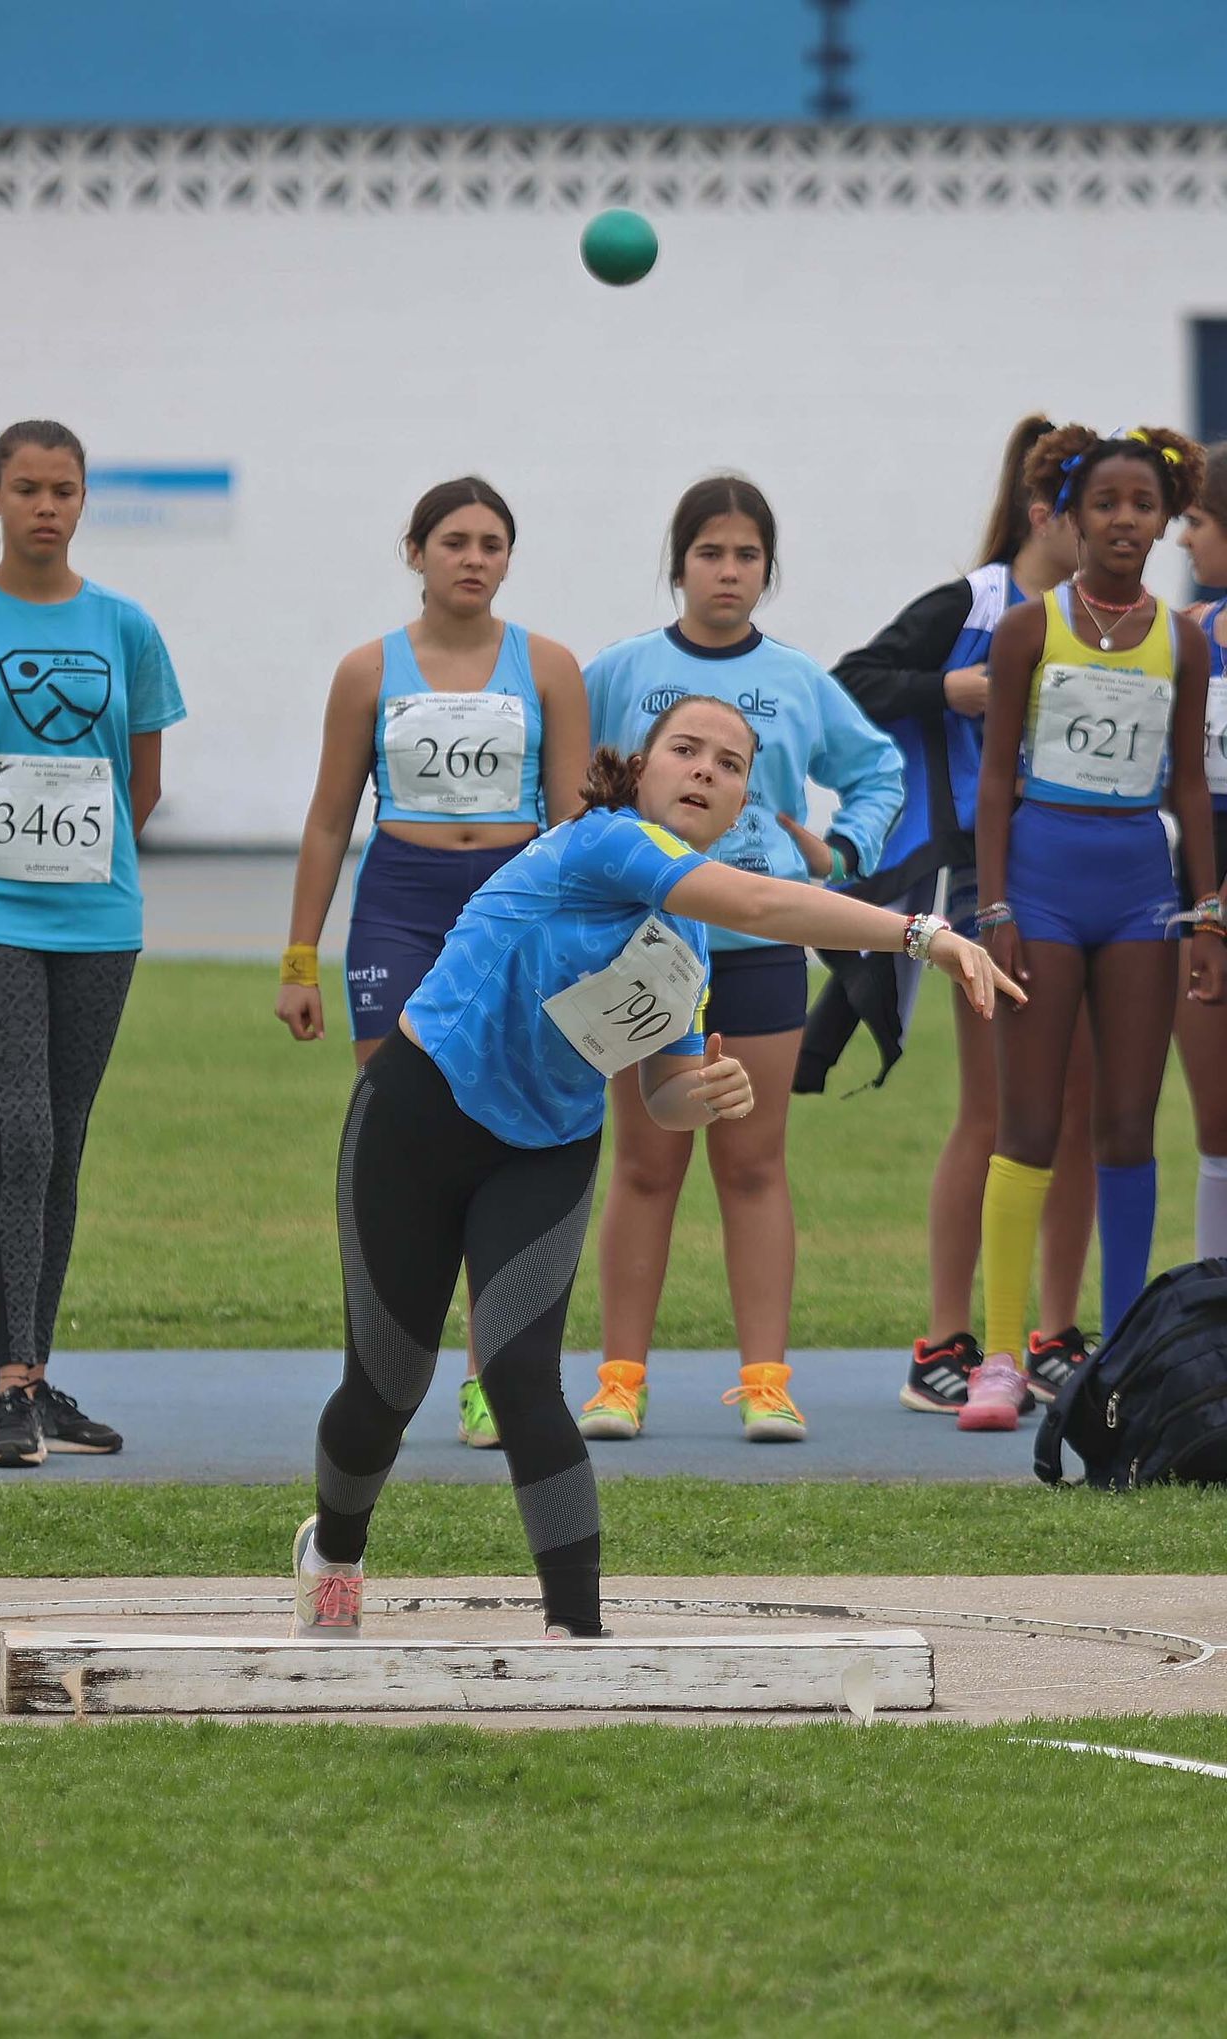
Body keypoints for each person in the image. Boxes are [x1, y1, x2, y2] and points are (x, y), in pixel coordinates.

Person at [292, 695, 1019, 1639]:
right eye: (686, 749)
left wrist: (702, 1092)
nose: (706, 770)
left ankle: (578, 1633)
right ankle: (336, 1550)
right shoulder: (602, 841)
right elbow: (761, 900)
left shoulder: (682, 940)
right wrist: (924, 931)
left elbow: (661, 1092)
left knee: (523, 1379)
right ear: (640, 770)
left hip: (545, 1149)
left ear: (742, 806)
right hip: (418, 1116)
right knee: (387, 1386)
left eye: (730, 764)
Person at [0, 419, 186, 1467]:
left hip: (98, 919)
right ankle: (9, 1389)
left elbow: (142, 785)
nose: (45, 505)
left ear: (83, 498)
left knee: (62, 1138)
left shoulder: (127, 628)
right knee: (21, 1131)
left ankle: (41, 1377)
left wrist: (80, 871)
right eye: (26, 487)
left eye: (63, 488)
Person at [578, 476, 904, 1445]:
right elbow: (573, 774)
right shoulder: (622, 670)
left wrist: (843, 854)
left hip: (759, 954)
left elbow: (876, 769)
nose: (728, 571)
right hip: (643, 951)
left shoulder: (801, 681)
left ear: (768, 568)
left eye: (746, 554)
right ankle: (618, 1381)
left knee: (754, 1166)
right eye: (709, 552)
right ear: (676, 563)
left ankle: (766, 1382)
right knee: (643, 1165)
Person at [274, 476, 590, 1450]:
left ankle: (490, 1365)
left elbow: (577, 826)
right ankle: (389, 1348)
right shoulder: (368, 671)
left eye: (492, 542)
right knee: (402, 1126)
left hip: (510, 905)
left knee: (505, 1121)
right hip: (401, 907)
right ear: (414, 552)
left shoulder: (549, 667)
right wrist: (298, 958)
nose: (473, 557)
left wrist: (582, 945)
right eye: (453, 540)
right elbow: (330, 819)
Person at [802, 415, 1097, 1415]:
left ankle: (1058, 1334)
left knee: (1079, 1116)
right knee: (995, 1110)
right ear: (1040, 510)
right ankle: (944, 1339)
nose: (1108, 526)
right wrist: (951, 687)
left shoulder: (1109, 615)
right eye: (1088, 507)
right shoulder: (973, 603)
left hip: (1088, 869)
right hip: (986, 873)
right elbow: (852, 678)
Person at [971, 424, 1224, 1432]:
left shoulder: (1184, 638)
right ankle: (999, 1355)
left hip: (1136, 889)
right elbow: (994, 779)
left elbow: (1189, 790)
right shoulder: (1027, 629)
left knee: (1128, 1124)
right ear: (1068, 516)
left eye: (1144, 505)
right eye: (1106, 503)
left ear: (1165, 520)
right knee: (1028, 1122)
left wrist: (1205, 911)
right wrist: (990, 906)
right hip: (1037, 883)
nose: (1126, 520)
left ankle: (1119, 1353)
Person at [1176, 443, 1227, 1259]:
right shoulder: (1184, 639)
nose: (1182, 538)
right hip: (1200, 909)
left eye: (1196, 519)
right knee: (1217, 1128)